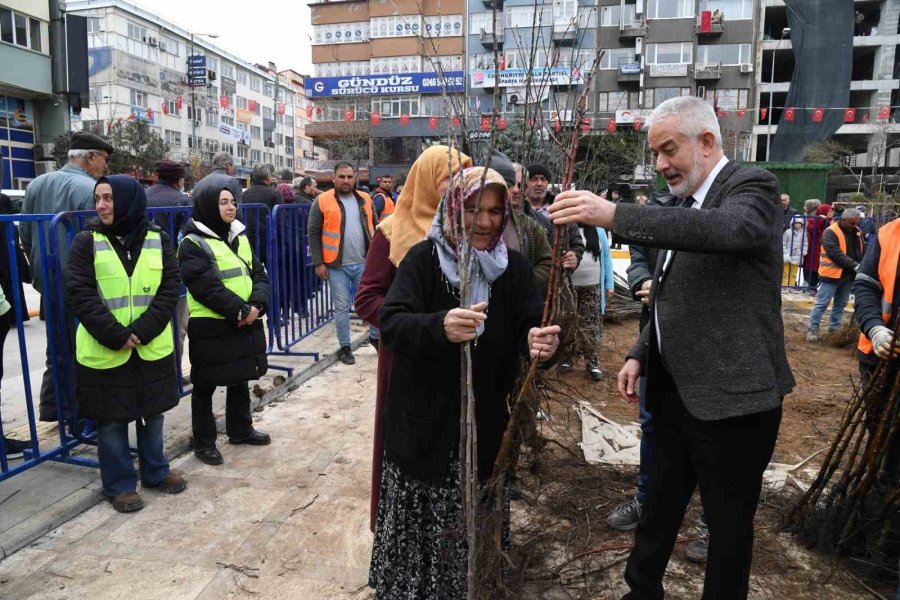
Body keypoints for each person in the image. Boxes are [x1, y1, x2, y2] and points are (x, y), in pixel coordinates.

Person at [549, 95, 795, 600]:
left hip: (734, 402)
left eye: (668, 150)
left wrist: (615, 214)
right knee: (657, 510)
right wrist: (641, 350)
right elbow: (666, 290)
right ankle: (642, 592)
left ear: (706, 142)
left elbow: (731, 231)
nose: (659, 165)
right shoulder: (682, 207)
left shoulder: (750, 188)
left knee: (727, 529)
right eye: (655, 153)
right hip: (672, 395)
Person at [368, 166, 560, 598]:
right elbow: (391, 321)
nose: (486, 221)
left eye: (495, 211)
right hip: (423, 427)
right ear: (454, 208)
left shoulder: (512, 271)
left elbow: (535, 330)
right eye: (473, 209)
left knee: (473, 533)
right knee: (424, 534)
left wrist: (542, 346)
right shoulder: (424, 261)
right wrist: (439, 326)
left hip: (486, 430)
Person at [356, 145, 472, 532]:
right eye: (449, 179)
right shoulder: (392, 233)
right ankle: (404, 535)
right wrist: (412, 323)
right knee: (407, 447)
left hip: (460, 357)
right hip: (407, 357)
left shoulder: (470, 232)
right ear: (426, 182)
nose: (460, 186)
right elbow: (368, 298)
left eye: (465, 177)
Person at [67, 175, 186, 512]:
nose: (102, 205)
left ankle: (155, 471)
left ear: (128, 200)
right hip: (107, 349)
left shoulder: (157, 238)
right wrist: (117, 334)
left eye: (108, 198)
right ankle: (119, 485)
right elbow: (80, 293)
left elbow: (169, 285)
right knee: (112, 421)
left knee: (153, 414)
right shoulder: (86, 241)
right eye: (98, 199)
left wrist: (144, 330)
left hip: (149, 347)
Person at [21, 131, 115, 423]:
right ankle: (80, 414)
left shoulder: (37, 184)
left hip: (46, 277)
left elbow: (25, 233)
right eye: (103, 160)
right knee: (84, 348)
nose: (105, 168)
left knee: (57, 343)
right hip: (81, 282)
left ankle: (53, 408)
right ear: (89, 157)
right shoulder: (92, 189)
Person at [178, 177, 272, 466]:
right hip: (212, 325)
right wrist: (240, 311)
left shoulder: (238, 236)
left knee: (240, 377)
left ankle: (240, 429)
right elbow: (204, 286)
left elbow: (259, 272)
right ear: (208, 205)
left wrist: (256, 305)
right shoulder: (192, 243)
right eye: (223, 202)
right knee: (205, 385)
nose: (231, 206)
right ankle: (205, 443)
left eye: (232, 201)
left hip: (245, 319)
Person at [307, 162, 379, 364]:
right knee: (341, 307)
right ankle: (345, 347)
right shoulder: (322, 201)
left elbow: (375, 225)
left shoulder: (365, 199)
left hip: (365, 262)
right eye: (341, 176)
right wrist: (318, 262)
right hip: (335, 265)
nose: (346, 180)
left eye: (349, 177)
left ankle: (376, 337)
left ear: (355, 178)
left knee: (372, 301)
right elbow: (313, 232)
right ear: (333, 178)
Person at [853, 216, 900, 488]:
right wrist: (875, 328)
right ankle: (881, 487)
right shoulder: (889, 232)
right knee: (880, 428)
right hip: (880, 354)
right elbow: (866, 285)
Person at [146, 160, 191, 357]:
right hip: (173, 269)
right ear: (180, 180)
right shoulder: (182, 200)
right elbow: (186, 237)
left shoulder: (142, 196)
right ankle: (175, 379)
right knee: (176, 326)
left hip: (142, 268)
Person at [491, 152, 552, 293]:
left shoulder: (531, 225)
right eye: (501, 184)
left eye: (510, 185)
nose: (514, 190)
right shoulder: (466, 222)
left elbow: (547, 261)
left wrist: (525, 284)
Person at [559, 222, 612, 381]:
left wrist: (609, 284)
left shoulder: (598, 229)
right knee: (567, 323)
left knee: (591, 324)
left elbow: (606, 257)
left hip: (592, 285)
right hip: (568, 285)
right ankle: (566, 360)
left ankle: (593, 363)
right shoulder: (564, 227)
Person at [806, 208, 863, 341]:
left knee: (840, 305)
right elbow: (835, 254)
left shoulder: (857, 232)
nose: (855, 226)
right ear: (843, 220)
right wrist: (856, 266)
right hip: (831, 275)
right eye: (852, 223)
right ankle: (812, 329)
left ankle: (834, 331)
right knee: (822, 303)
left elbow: (861, 250)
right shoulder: (830, 232)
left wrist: (861, 264)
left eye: (856, 223)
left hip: (848, 275)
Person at [522, 163, 585, 271]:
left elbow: (577, 244)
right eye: (533, 179)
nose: (539, 184)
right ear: (524, 183)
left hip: (554, 280)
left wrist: (574, 257)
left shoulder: (562, 210)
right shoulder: (517, 210)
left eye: (543, 179)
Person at [241, 164, 282, 265]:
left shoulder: (245, 194)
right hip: (269, 240)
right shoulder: (274, 193)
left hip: (249, 238)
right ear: (268, 178)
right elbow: (280, 219)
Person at [145, 160, 190, 235]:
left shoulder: (144, 194)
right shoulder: (182, 200)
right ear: (180, 181)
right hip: (168, 245)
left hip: (142, 245)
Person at [803, 202, 832, 290]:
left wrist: (827, 221)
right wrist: (821, 220)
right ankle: (811, 287)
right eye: (830, 211)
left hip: (824, 249)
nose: (831, 213)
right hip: (814, 249)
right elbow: (813, 230)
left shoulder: (832, 221)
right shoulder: (813, 220)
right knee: (812, 268)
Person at [783, 217, 807, 286]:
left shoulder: (803, 234)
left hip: (797, 255)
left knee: (794, 273)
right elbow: (783, 242)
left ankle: (791, 285)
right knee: (785, 272)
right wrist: (785, 251)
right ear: (792, 223)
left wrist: (803, 252)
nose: (798, 225)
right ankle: (784, 285)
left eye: (799, 223)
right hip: (787, 255)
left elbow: (805, 244)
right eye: (796, 223)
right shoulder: (788, 232)